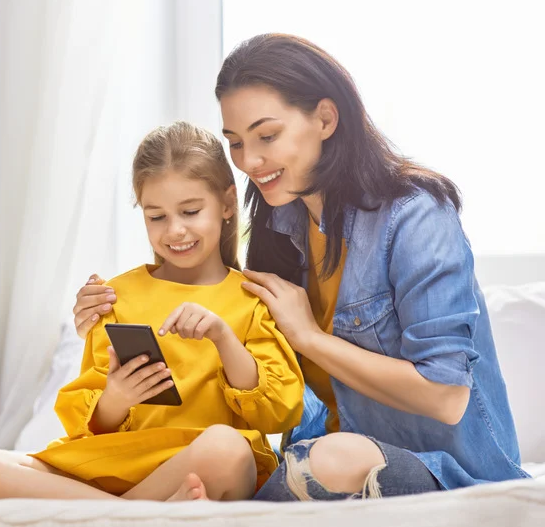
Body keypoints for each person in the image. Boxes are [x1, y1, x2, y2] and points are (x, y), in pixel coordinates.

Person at [73, 34, 528, 502]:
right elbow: (245, 343)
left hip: (444, 472)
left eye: (267, 136)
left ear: (326, 119)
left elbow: (446, 396)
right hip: (311, 463)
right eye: (235, 143)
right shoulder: (279, 219)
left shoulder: (416, 216)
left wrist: (310, 338)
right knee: (254, 466)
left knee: (328, 460)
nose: (250, 161)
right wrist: (109, 309)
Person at [0, 121, 305, 502]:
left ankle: (116, 513)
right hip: (120, 461)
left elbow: (277, 413)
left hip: (196, 463)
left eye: (190, 211)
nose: (174, 230)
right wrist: (116, 397)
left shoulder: (251, 298)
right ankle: (133, 512)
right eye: (156, 216)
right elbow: (91, 425)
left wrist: (222, 337)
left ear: (227, 204)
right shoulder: (115, 296)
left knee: (227, 448)